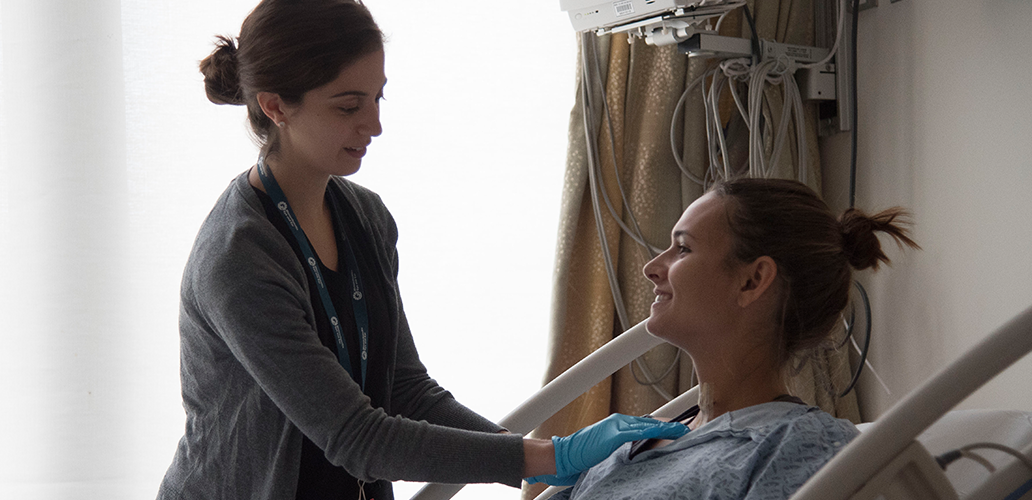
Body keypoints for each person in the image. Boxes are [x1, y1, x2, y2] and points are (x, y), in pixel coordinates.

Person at [155, 1, 688, 499]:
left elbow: (405, 390)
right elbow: (357, 437)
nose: (375, 126)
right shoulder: (240, 258)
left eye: (377, 97)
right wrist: (546, 456)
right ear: (276, 107)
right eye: (348, 106)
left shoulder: (365, 219)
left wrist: (532, 462)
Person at [549, 178, 919, 499]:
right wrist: (533, 455)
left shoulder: (801, 446)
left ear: (752, 281)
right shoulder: (637, 441)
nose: (651, 268)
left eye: (683, 248)